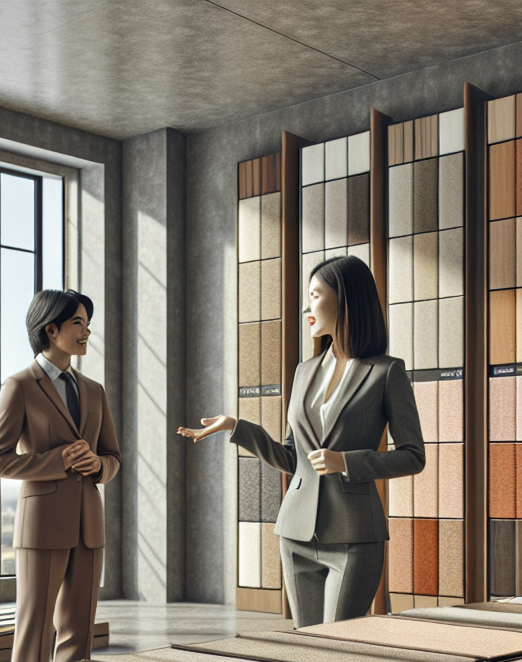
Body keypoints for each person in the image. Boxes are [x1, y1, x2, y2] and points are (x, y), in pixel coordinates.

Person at [180, 254, 424, 627]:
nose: (307, 308)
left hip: (354, 536)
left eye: (315, 295)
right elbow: (293, 457)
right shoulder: (304, 371)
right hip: (294, 531)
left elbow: (413, 456)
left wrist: (348, 462)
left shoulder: (386, 372)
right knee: (307, 647)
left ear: (344, 300)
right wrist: (237, 428)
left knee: (338, 647)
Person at [0, 289, 120, 662]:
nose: (86, 332)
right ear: (51, 329)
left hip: (88, 525)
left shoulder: (94, 391)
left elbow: (114, 458)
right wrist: (58, 460)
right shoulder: (20, 386)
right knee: (35, 629)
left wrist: (96, 465)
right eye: (78, 323)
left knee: (79, 630)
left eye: (87, 324)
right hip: (42, 524)